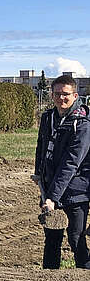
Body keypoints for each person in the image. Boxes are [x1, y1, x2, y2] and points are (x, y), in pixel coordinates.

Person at [33, 74, 90, 269]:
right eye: (57, 93)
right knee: (52, 238)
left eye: (65, 94)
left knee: (76, 238)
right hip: (51, 188)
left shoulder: (82, 124)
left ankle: (84, 279)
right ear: (51, 94)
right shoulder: (48, 118)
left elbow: (71, 163)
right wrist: (38, 172)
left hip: (76, 190)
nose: (61, 98)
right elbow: (41, 147)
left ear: (75, 95)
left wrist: (52, 198)